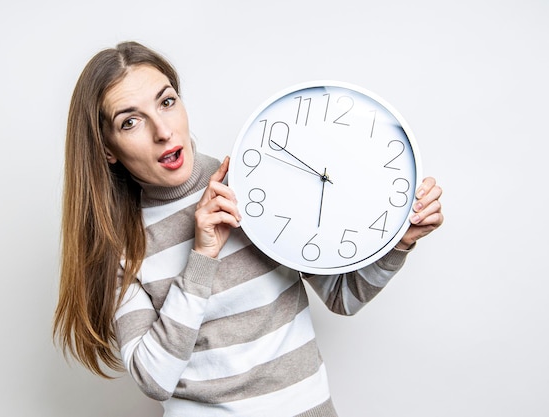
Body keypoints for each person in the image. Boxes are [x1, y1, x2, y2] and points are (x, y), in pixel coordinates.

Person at [53, 41, 444, 417]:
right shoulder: (119, 244)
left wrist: (399, 243)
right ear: (107, 148)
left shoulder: (257, 184)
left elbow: (344, 298)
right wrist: (202, 257)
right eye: (131, 121)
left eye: (167, 101)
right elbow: (153, 379)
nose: (163, 130)